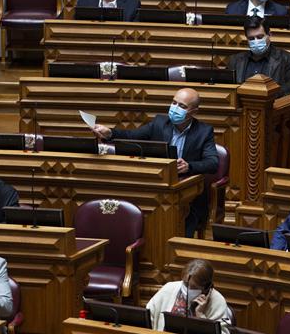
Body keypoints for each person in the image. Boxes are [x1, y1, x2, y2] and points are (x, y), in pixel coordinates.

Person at [91, 88, 218, 237]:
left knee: (179, 227)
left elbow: (213, 162)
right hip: (157, 184)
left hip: (187, 195)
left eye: (182, 106)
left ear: (194, 111)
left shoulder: (204, 131)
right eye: (174, 103)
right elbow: (132, 136)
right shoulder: (159, 123)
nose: (175, 108)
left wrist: (189, 166)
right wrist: (110, 133)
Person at [146, 258, 232, 334]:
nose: (187, 289)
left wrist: (201, 316)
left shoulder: (218, 301)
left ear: (206, 288)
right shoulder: (169, 288)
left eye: (194, 287)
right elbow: (148, 316)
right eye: (186, 284)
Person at [226, 16, 290, 97]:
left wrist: (271, 96)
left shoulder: (285, 58)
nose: (256, 41)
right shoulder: (235, 60)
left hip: (272, 105)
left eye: (260, 37)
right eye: (251, 38)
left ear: (269, 35)